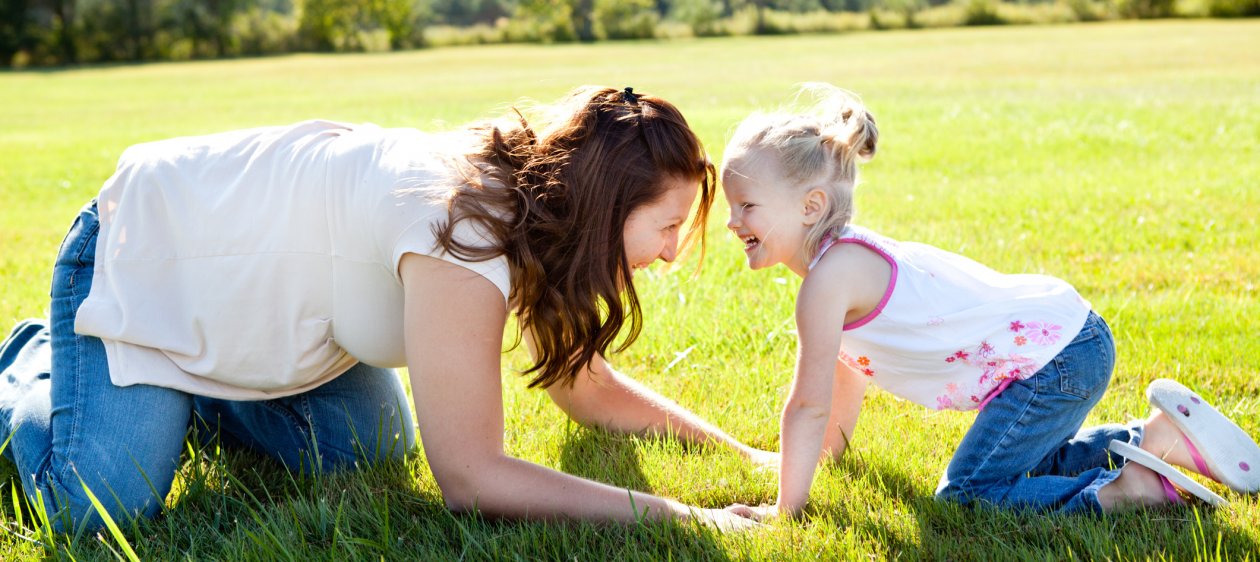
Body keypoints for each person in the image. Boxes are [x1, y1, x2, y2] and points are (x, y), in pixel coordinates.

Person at [0, 86, 770, 532]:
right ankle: (31, 362)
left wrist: (749, 461)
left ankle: (195, 393)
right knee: (95, 506)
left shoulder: (542, 208)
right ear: (606, 205)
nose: (672, 252)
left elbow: (584, 385)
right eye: (668, 226)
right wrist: (682, 516)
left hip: (257, 309)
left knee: (364, 447)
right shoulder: (463, 226)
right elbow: (470, 476)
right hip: (145, 254)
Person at [718, 83, 1260, 517]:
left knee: (968, 494)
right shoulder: (840, 266)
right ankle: (1157, 440)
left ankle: (1126, 490)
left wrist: (786, 509)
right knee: (1030, 462)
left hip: (1054, 362)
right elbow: (844, 379)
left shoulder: (827, 281)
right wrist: (827, 457)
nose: (732, 220)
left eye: (746, 205)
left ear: (811, 206)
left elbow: (808, 405)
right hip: (1071, 342)